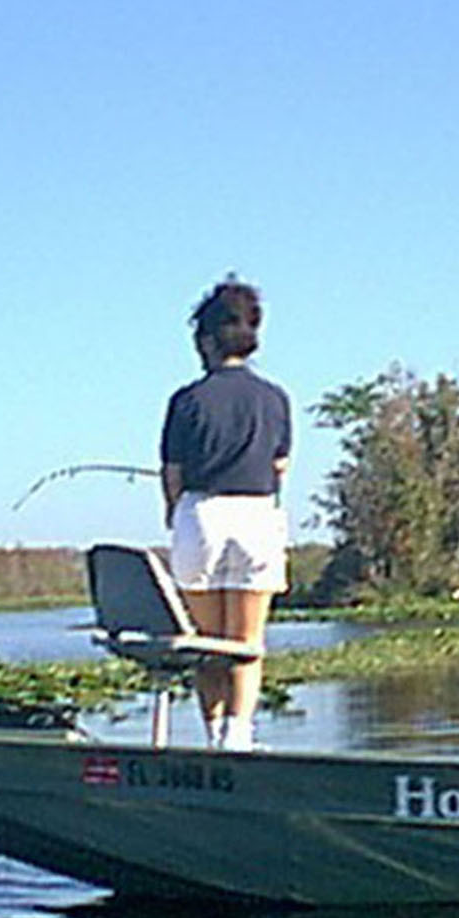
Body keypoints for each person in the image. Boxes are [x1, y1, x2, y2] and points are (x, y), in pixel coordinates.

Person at [159, 277, 291, 751]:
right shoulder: (275, 398)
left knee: (206, 642)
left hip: (203, 515)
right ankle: (240, 737)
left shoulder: (187, 400)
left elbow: (172, 476)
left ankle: (215, 736)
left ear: (207, 340)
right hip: (257, 515)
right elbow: (280, 467)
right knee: (247, 641)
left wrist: (176, 518)